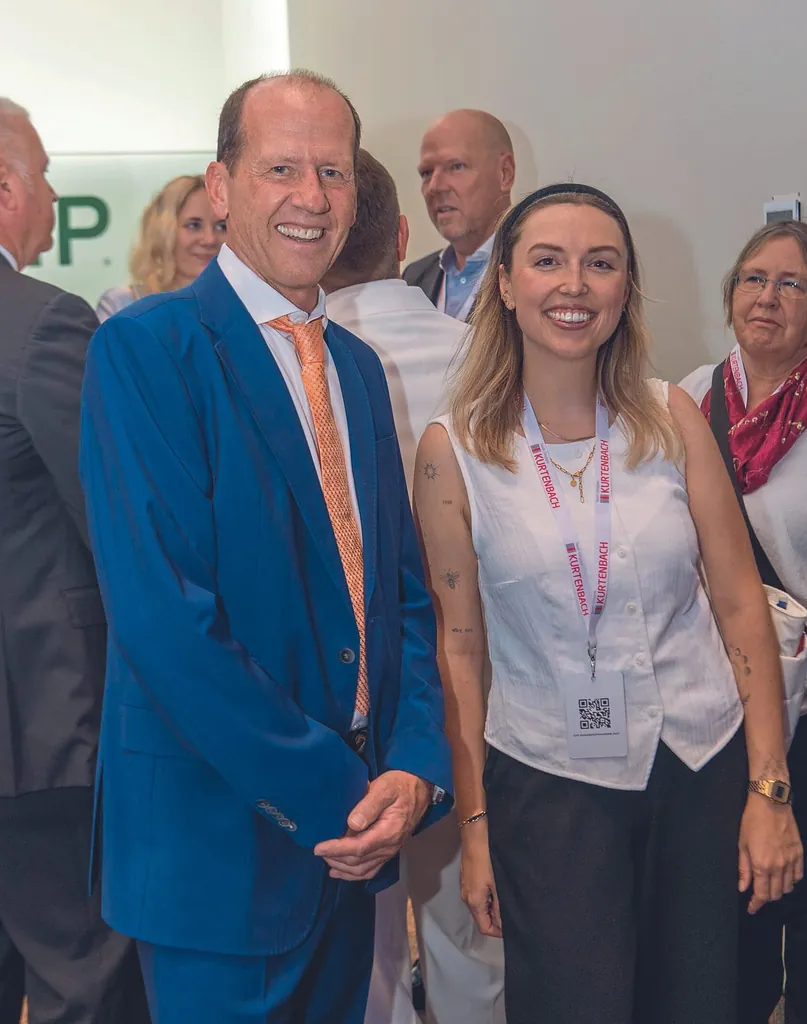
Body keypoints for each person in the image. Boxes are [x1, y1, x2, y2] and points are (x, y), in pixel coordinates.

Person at [79, 70, 452, 1024]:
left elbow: (402, 597)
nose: (312, 198)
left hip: (350, 846)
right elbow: (165, 622)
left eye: (332, 172)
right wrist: (340, 794)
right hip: (221, 855)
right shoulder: (145, 352)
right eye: (281, 167)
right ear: (220, 184)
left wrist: (412, 769)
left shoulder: (359, 372)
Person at [412, 182, 804, 1024]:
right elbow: (460, 649)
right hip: (550, 789)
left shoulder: (671, 419)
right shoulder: (455, 453)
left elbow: (740, 605)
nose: (574, 286)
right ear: (506, 285)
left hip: (700, 769)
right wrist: (475, 829)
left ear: (625, 289)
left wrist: (768, 790)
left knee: (705, 1002)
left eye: (601, 264)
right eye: (548, 261)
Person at [323, 150, 504, 1024]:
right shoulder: (481, 354)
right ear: (402, 235)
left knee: (361, 943)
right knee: (473, 928)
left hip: (350, 679)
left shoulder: (300, 359)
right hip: (484, 669)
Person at [0, 98, 147, 1024]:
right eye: (45, 173)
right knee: (83, 981)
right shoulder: (41, 325)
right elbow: (118, 522)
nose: (53, 196)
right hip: (46, 728)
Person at [680, 220, 807, 1024]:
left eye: (792, 284)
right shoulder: (689, 397)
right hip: (716, 703)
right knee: (731, 902)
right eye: (753, 279)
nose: (767, 297)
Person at [402, 110, 514, 321]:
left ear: (505, 173)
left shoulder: (534, 273)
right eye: (426, 173)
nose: (435, 187)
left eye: (456, 167)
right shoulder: (414, 278)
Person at [96, 174, 226, 321]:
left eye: (222, 227)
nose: (209, 239)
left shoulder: (247, 305)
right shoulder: (121, 304)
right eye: (194, 225)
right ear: (163, 232)